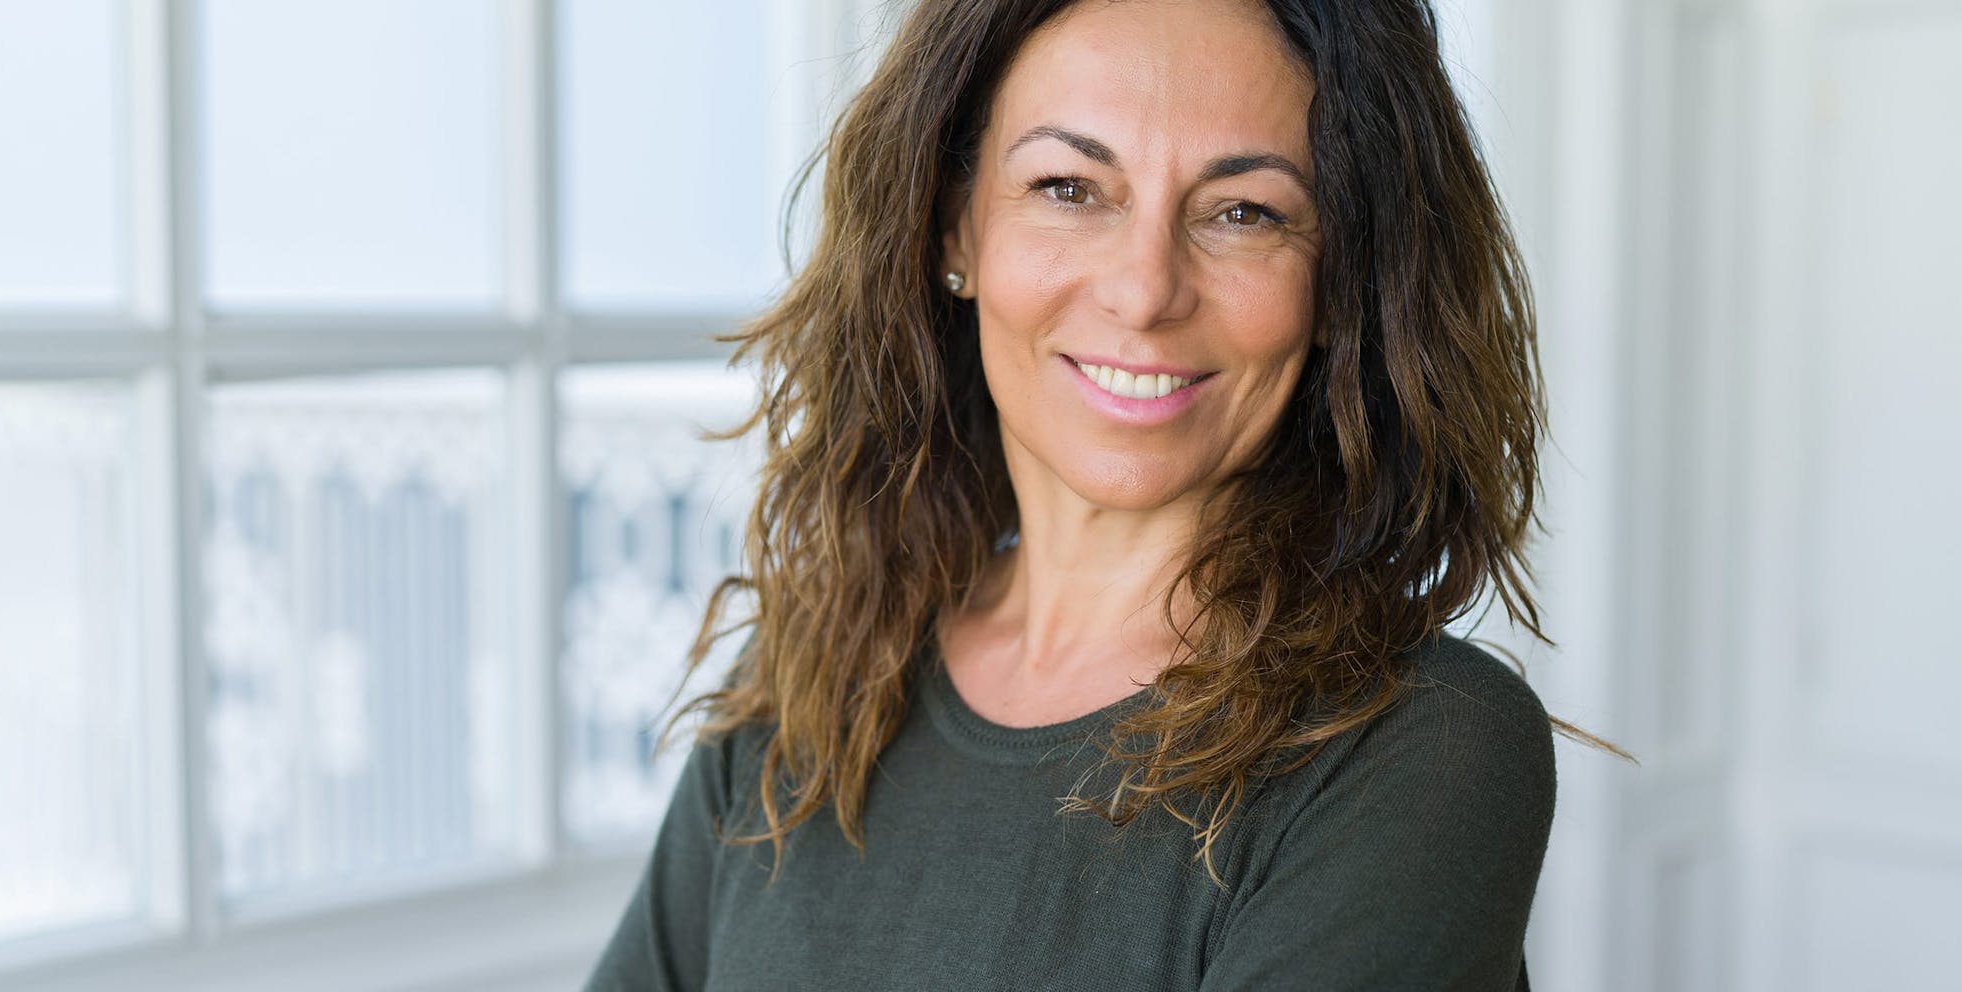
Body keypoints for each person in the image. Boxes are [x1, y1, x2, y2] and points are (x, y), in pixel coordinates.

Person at [586, 0, 1624, 988]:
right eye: (1068, 188)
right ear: (954, 227)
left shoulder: (1411, 749)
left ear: (1341, 280)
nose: (1144, 290)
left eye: (1243, 211)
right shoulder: (812, 668)